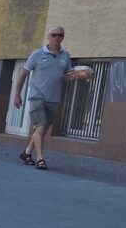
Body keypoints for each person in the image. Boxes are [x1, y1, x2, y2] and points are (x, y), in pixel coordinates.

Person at [13, 24, 89, 171]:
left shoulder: (65, 56)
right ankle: (40, 159)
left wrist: (76, 76)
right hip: (37, 96)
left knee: (42, 130)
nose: (57, 37)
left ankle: (27, 153)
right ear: (49, 37)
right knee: (39, 127)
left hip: (54, 98)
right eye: (54, 35)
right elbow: (23, 75)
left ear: (63, 37)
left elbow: (65, 77)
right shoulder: (37, 54)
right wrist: (17, 95)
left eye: (60, 35)